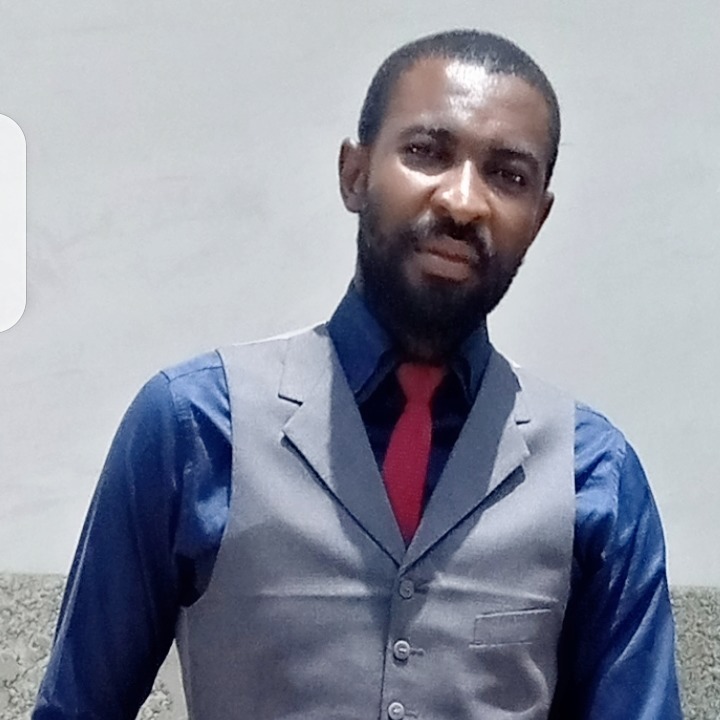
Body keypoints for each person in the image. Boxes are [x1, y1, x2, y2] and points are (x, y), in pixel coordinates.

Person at [34, 29, 683, 720]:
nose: (464, 201)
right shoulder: (195, 426)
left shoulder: (592, 474)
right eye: (427, 152)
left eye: (508, 176)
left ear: (539, 218)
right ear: (354, 174)